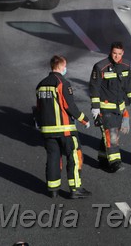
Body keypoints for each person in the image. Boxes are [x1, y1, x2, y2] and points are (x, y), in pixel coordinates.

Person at [35, 55, 91, 199]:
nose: (66, 68)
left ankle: (53, 189)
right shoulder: (62, 83)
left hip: (47, 130)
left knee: (53, 157)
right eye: (65, 66)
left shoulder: (40, 85)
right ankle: (75, 189)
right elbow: (69, 106)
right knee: (74, 156)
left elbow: (39, 108)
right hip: (65, 129)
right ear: (61, 66)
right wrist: (84, 119)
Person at [89, 42, 131, 173]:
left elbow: (129, 84)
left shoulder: (126, 65)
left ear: (123, 53)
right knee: (112, 133)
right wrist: (95, 107)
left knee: (109, 133)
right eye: (114, 53)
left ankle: (103, 159)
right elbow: (94, 87)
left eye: (119, 54)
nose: (117, 56)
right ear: (110, 52)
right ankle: (115, 162)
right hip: (105, 107)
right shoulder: (100, 67)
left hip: (119, 107)